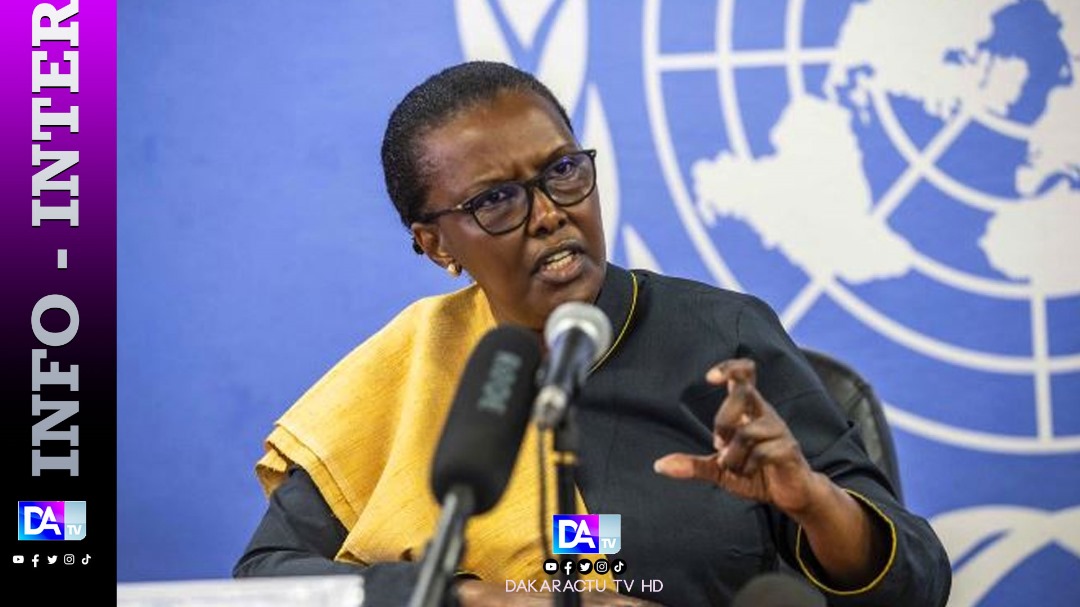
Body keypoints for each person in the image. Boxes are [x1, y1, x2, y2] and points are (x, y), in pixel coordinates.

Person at [233, 60, 952, 607]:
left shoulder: (723, 338)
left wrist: (813, 502)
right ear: (436, 243)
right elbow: (269, 582)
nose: (550, 214)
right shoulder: (406, 373)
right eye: (496, 200)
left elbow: (918, 579)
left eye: (563, 171)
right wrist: (466, 599)